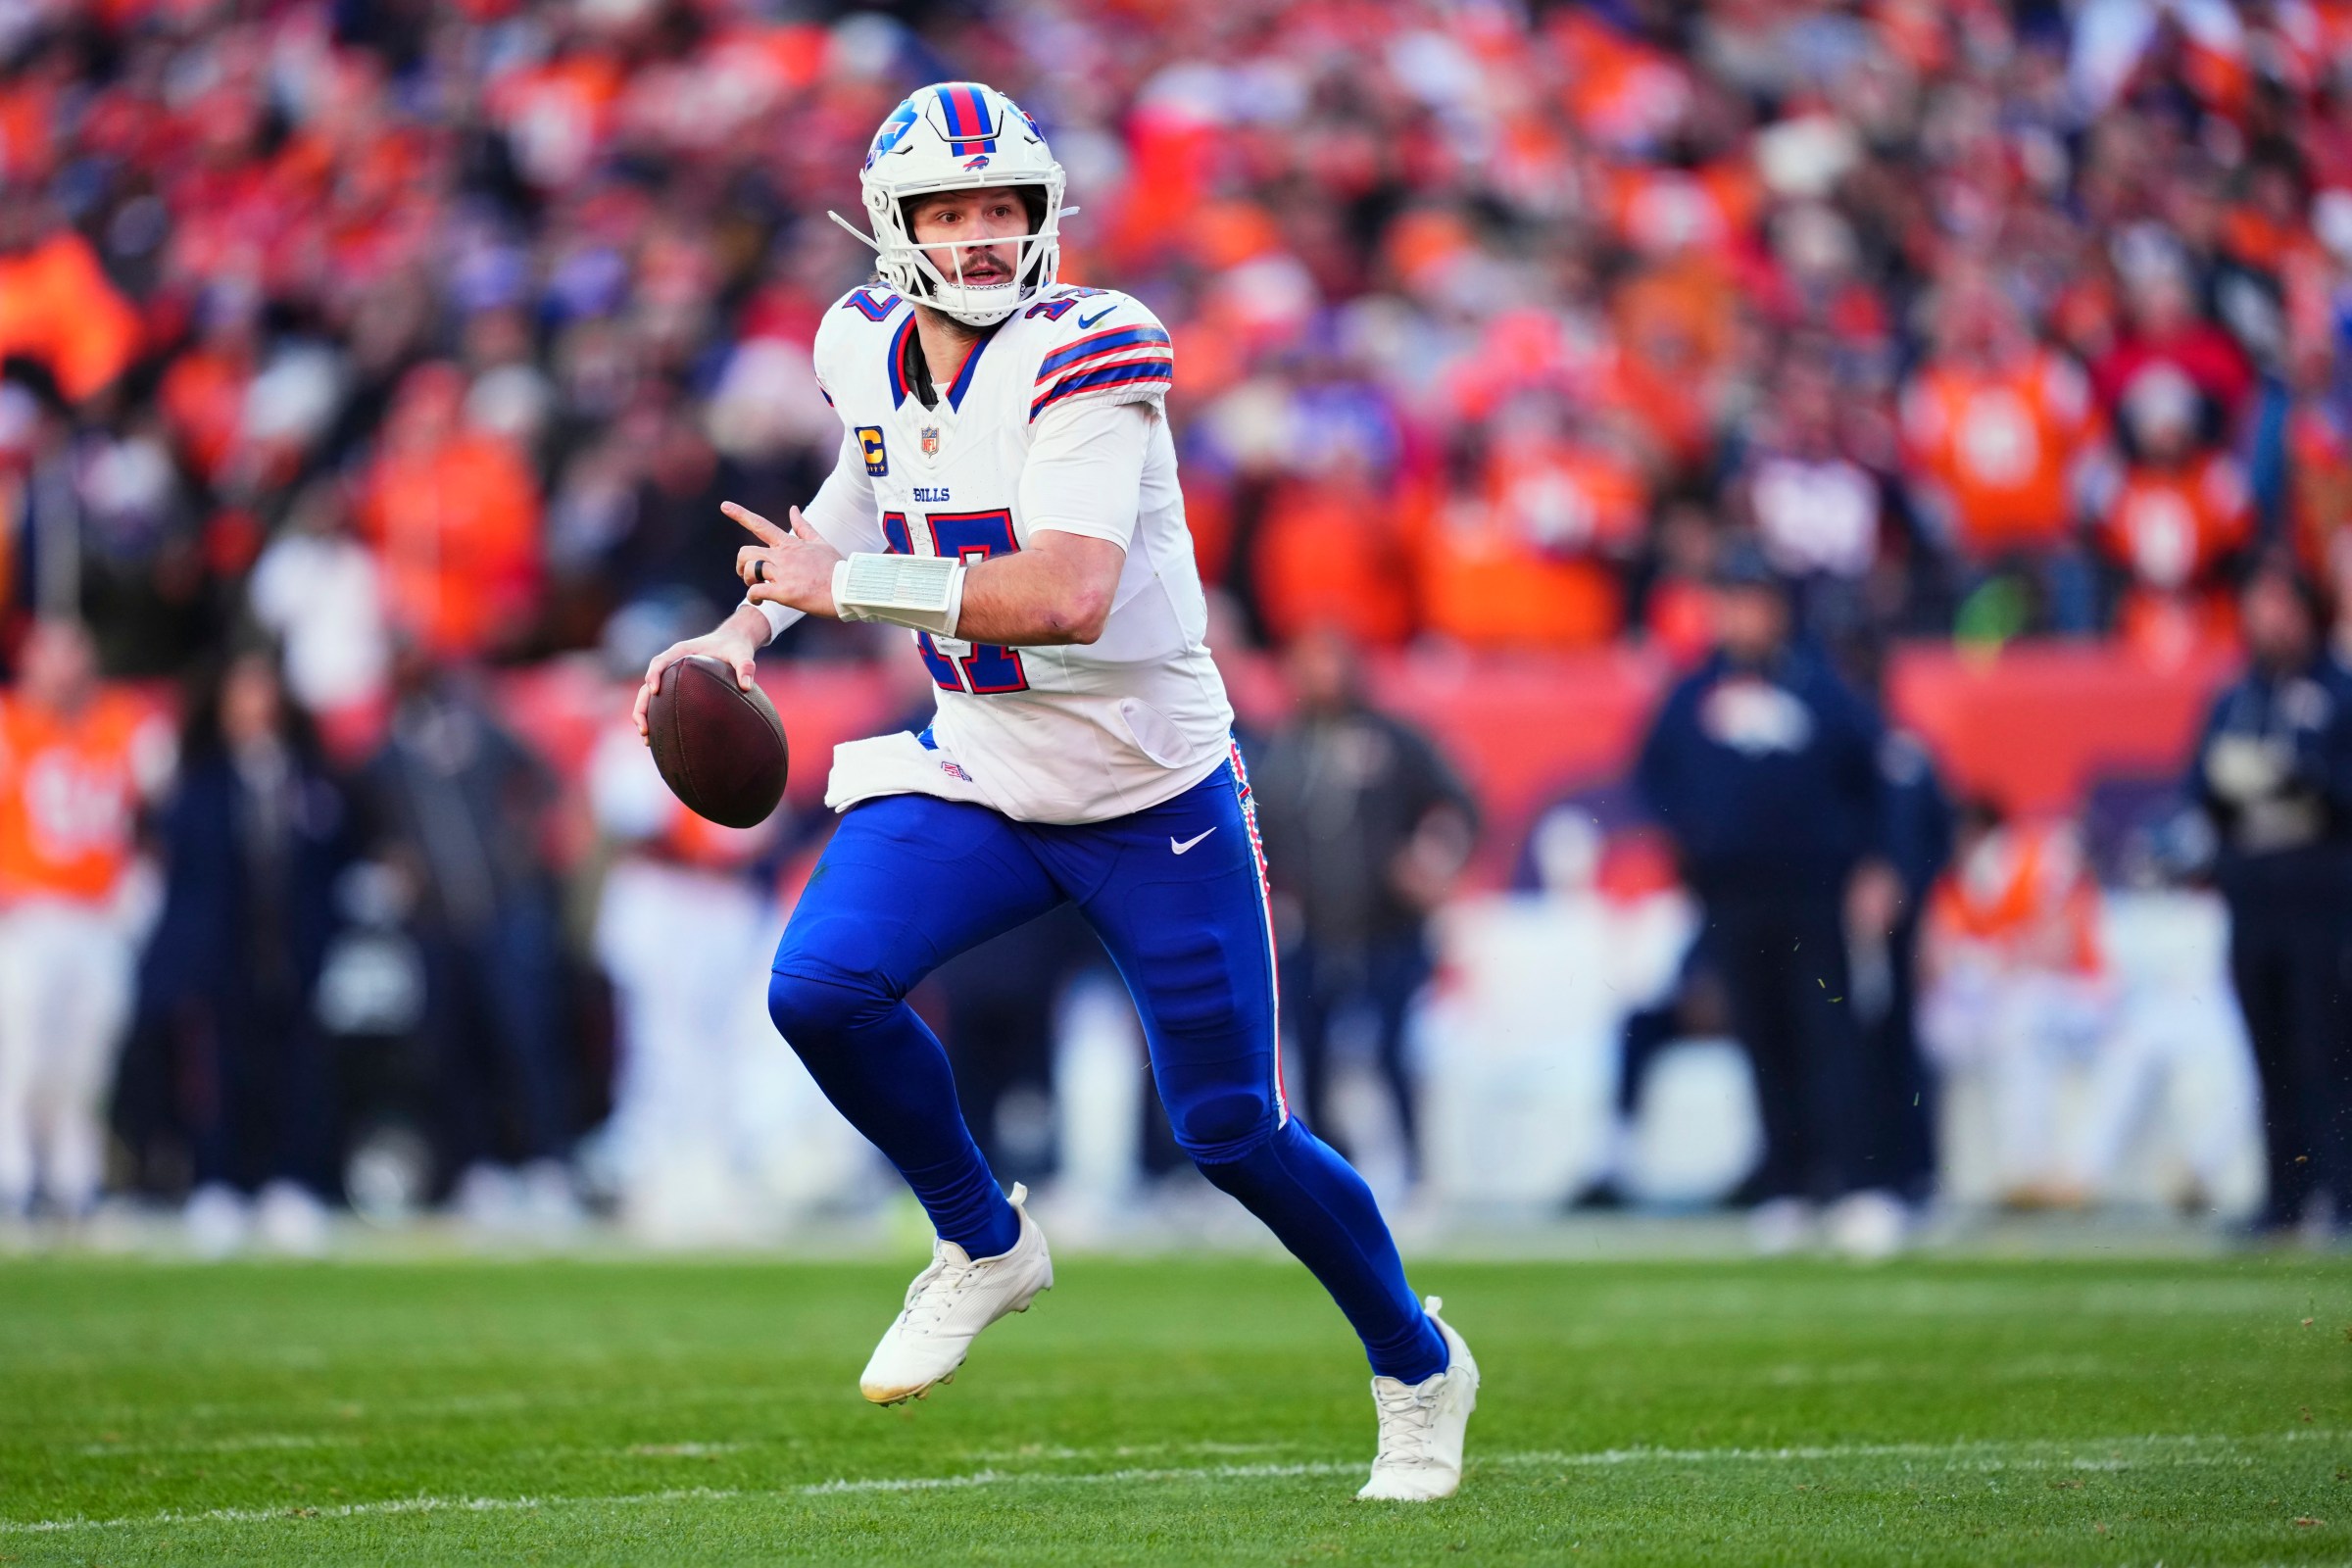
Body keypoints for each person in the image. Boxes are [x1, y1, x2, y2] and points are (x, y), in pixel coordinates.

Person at [634, 82, 1476, 1500]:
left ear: (1043, 215)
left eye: (1002, 208)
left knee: (1230, 1132)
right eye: (950, 212)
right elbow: (873, 474)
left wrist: (844, 592)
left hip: (1156, 795)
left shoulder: (1094, 346)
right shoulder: (861, 343)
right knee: (819, 986)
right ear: (895, 226)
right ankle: (982, 1238)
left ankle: (1416, 1363)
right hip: (983, 768)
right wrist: (746, 629)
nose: (979, 237)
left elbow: (1071, 593)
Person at [1634, 539, 1906, 1255]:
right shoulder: (1691, 696)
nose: (1742, 617)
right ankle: (1785, 1187)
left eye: (1755, 603)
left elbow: (1874, 779)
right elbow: (1653, 776)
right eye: (1731, 602)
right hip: (1731, 894)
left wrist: (1876, 864)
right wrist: (1691, 842)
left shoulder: (1821, 690)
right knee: (1762, 1038)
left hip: (1814, 891)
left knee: (1831, 1037)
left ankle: (1855, 1185)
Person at [139, 649, 354, 1254]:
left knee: (298, 1074)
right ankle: (218, 1183)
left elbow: (334, 858)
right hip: (220, 954)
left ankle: (293, 1182)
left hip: (293, 950)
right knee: (218, 1075)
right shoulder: (199, 781)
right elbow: (182, 867)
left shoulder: (310, 779)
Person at [1249, 623, 1477, 1186]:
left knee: (1395, 1050)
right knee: (1315, 1063)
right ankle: (1332, 1181)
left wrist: (1434, 856)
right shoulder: (1281, 751)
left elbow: (1458, 805)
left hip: (1389, 925)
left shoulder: (1396, 740)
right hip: (1310, 930)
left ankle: (1418, 1173)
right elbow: (1259, 830)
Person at [2189, 560, 2352, 1238]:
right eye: (2259, 607)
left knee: (2329, 1048)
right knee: (2270, 1052)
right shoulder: (2234, 698)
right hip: (2254, 898)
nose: (2270, 622)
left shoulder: (2338, 693)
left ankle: (2340, 1193)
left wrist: (2301, 779)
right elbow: (2195, 784)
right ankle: (2283, 1194)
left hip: (2321, 896)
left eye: (2281, 606)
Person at [0, 617, 172, 1225]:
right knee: (23, 1049)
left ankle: (77, 1177)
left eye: (75, 655)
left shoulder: (122, 722)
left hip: (100, 917)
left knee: (90, 1056)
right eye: (53, 657)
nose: (65, 671)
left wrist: (141, 888)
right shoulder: (10, 724)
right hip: (29, 912)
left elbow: (160, 808)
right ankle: (14, 1175)